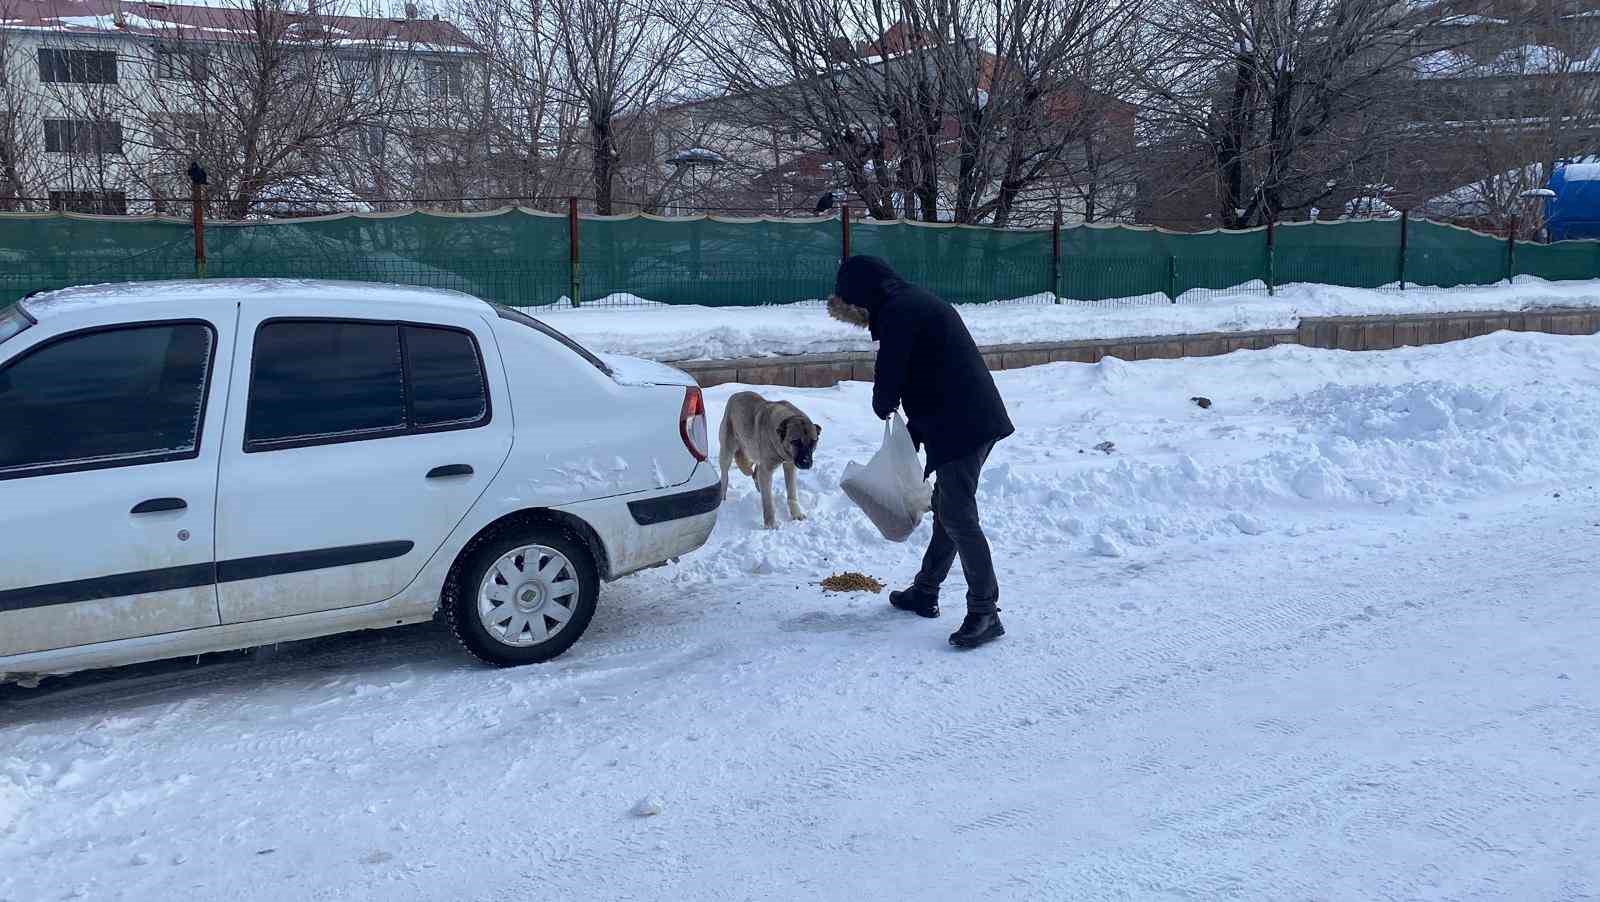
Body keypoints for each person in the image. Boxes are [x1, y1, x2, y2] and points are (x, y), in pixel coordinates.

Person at [829, 255, 1014, 648]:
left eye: (854, 304)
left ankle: (985, 611)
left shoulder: (898, 311)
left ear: (863, 294)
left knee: (958, 515)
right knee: (948, 509)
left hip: (965, 422)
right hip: (962, 415)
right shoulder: (909, 302)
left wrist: (883, 402)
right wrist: (914, 430)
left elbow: (893, 369)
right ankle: (926, 590)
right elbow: (929, 370)